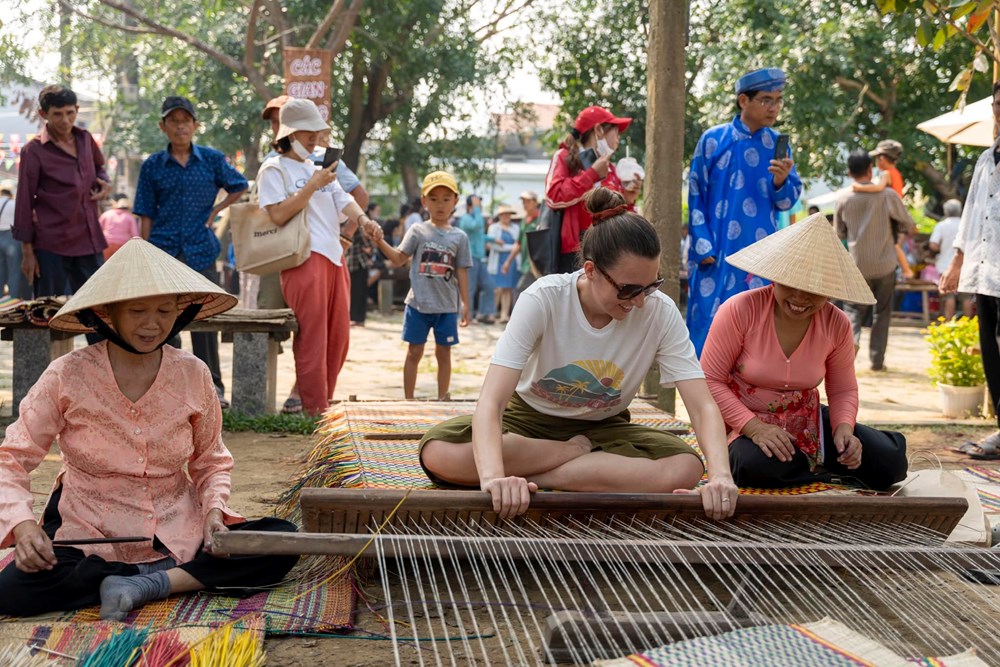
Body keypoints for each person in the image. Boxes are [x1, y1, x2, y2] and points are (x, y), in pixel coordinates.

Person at [0, 238, 299, 619]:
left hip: (178, 524)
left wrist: (213, 513)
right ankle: (157, 576)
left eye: (164, 310)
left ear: (180, 312)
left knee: (281, 539)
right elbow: (11, 459)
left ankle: (147, 583)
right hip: (89, 529)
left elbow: (211, 461)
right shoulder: (67, 375)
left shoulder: (193, 374)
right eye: (138, 310)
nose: (153, 323)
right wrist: (24, 527)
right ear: (108, 314)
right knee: (12, 591)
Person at [419, 187, 738, 520]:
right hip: (527, 423)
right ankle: (571, 458)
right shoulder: (544, 298)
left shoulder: (660, 311)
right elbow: (492, 402)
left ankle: (541, 475)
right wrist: (493, 480)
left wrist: (721, 476)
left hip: (604, 428)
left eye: (652, 284)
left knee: (685, 467)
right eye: (628, 289)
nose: (640, 301)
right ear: (590, 270)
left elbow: (701, 405)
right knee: (438, 452)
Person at [702, 213, 908, 489]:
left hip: (807, 420)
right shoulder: (740, 310)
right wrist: (755, 428)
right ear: (774, 278)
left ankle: (811, 468)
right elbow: (709, 381)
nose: (800, 298)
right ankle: (816, 470)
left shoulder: (837, 324)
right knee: (756, 466)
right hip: (741, 424)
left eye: (814, 289)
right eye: (790, 284)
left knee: (889, 461)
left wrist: (844, 429)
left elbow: (843, 389)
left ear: (830, 290)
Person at [257, 98, 383, 416]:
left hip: (333, 256)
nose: (314, 138)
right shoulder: (273, 168)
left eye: (317, 132)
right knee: (314, 337)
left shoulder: (319, 166)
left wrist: (365, 222)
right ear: (289, 134)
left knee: (338, 338)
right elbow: (276, 215)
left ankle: (321, 403)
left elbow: (344, 199)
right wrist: (310, 187)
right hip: (302, 257)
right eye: (307, 133)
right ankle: (313, 409)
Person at [134, 96, 248, 409]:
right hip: (163, 250)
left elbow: (239, 185)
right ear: (163, 126)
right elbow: (145, 213)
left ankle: (213, 388)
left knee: (204, 319)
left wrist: (215, 213)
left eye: (186, 120)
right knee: (163, 323)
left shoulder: (211, 160)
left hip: (200, 249)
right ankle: (166, 387)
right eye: (174, 121)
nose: (180, 126)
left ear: (195, 125)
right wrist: (143, 254)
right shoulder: (153, 165)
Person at [686, 68, 802, 356]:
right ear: (743, 101)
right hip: (715, 254)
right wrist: (702, 245)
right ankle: (703, 398)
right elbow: (695, 191)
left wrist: (780, 181)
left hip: (760, 257)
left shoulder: (778, 147)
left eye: (778, 100)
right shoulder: (713, 140)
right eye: (766, 100)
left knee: (756, 331)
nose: (774, 108)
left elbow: (788, 203)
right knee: (708, 329)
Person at [940, 80, 1000, 459]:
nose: (999, 111)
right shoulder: (984, 158)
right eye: (997, 104)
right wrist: (956, 263)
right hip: (986, 273)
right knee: (992, 354)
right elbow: (971, 216)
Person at [375, 171, 471, 400]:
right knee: (414, 352)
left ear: (455, 201)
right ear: (424, 201)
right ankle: (408, 399)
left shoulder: (460, 237)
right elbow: (399, 259)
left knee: (444, 353)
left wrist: (466, 303)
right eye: (434, 198)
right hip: (417, 304)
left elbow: (461, 271)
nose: (440, 204)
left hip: (447, 307)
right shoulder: (418, 230)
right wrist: (378, 240)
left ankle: (442, 397)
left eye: (446, 199)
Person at [14, 85, 111, 300]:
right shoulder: (34, 150)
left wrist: (104, 183)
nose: (65, 120)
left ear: (76, 110)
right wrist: (27, 253)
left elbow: (100, 169)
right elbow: (24, 202)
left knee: (98, 309)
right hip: (51, 243)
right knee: (48, 311)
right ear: (43, 114)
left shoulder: (86, 139)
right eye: (57, 114)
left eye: (70, 113)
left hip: (89, 238)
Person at [835, 149, 915, 371]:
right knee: (882, 312)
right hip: (885, 265)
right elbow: (908, 223)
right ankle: (877, 361)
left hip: (857, 265)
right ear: (870, 170)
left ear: (849, 173)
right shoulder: (887, 195)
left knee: (852, 310)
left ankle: (852, 343)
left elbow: (839, 233)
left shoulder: (843, 198)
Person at [545, 106, 632, 274]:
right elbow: (554, 196)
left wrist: (629, 198)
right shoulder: (564, 156)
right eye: (615, 131)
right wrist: (592, 175)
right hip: (574, 252)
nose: (618, 138)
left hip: (608, 249)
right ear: (598, 130)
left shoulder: (611, 168)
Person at [852, 140, 915, 280]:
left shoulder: (886, 174)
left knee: (894, 245)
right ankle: (904, 270)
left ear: (881, 158)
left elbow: (878, 188)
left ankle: (906, 270)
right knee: (894, 244)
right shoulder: (896, 173)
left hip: (891, 212)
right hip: (896, 211)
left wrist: (859, 188)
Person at [929, 199, 974, 319]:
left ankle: (948, 324)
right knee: (966, 297)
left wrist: (942, 247)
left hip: (945, 265)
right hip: (965, 265)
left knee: (948, 296)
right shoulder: (967, 224)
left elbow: (933, 244)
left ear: (946, 211)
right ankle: (968, 325)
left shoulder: (942, 225)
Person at [457, 194, 496, 324]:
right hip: (470, 258)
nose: (480, 207)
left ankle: (484, 313)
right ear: (470, 206)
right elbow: (476, 226)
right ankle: (466, 315)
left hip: (480, 258)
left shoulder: (475, 217)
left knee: (489, 285)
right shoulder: (466, 219)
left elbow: (479, 235)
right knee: (469, 288)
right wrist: (477, 208)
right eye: (477, 204)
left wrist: (494, 240)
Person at [488, 204, 520, 323]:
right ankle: (491, 313)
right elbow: (493, 245)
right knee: (497, 289)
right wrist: (512, 247)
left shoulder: (515, 228)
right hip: (497, 261)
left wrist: (507, 246)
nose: (506, 216)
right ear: (500, 216)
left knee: (508, 289)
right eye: (504, 214)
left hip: (512, 261)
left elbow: (519, 244)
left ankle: (504, 315)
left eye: (508, 214)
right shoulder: (493, 228)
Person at [508, 190, 541, 303]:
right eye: (523, 201)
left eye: (528, 201)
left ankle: (517, 319)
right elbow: (518, 243)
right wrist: (508, 262)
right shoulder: (524, 220)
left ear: (535, 202)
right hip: (526, 264)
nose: (525, 204)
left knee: (519, 290)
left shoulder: (541, 219)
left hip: (536, 264)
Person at [0, 188, 29, 299]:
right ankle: (13, 299)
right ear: (10, 195)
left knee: (1, 271)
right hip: (11, 238)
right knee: (14, 271)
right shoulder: (13, 203)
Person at [98, 194, 140, 260]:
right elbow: (135, 235)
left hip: (106, 244)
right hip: (122, 246)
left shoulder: (106, 214)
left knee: (105, 266)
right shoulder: (130, 217)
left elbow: (98, 229)